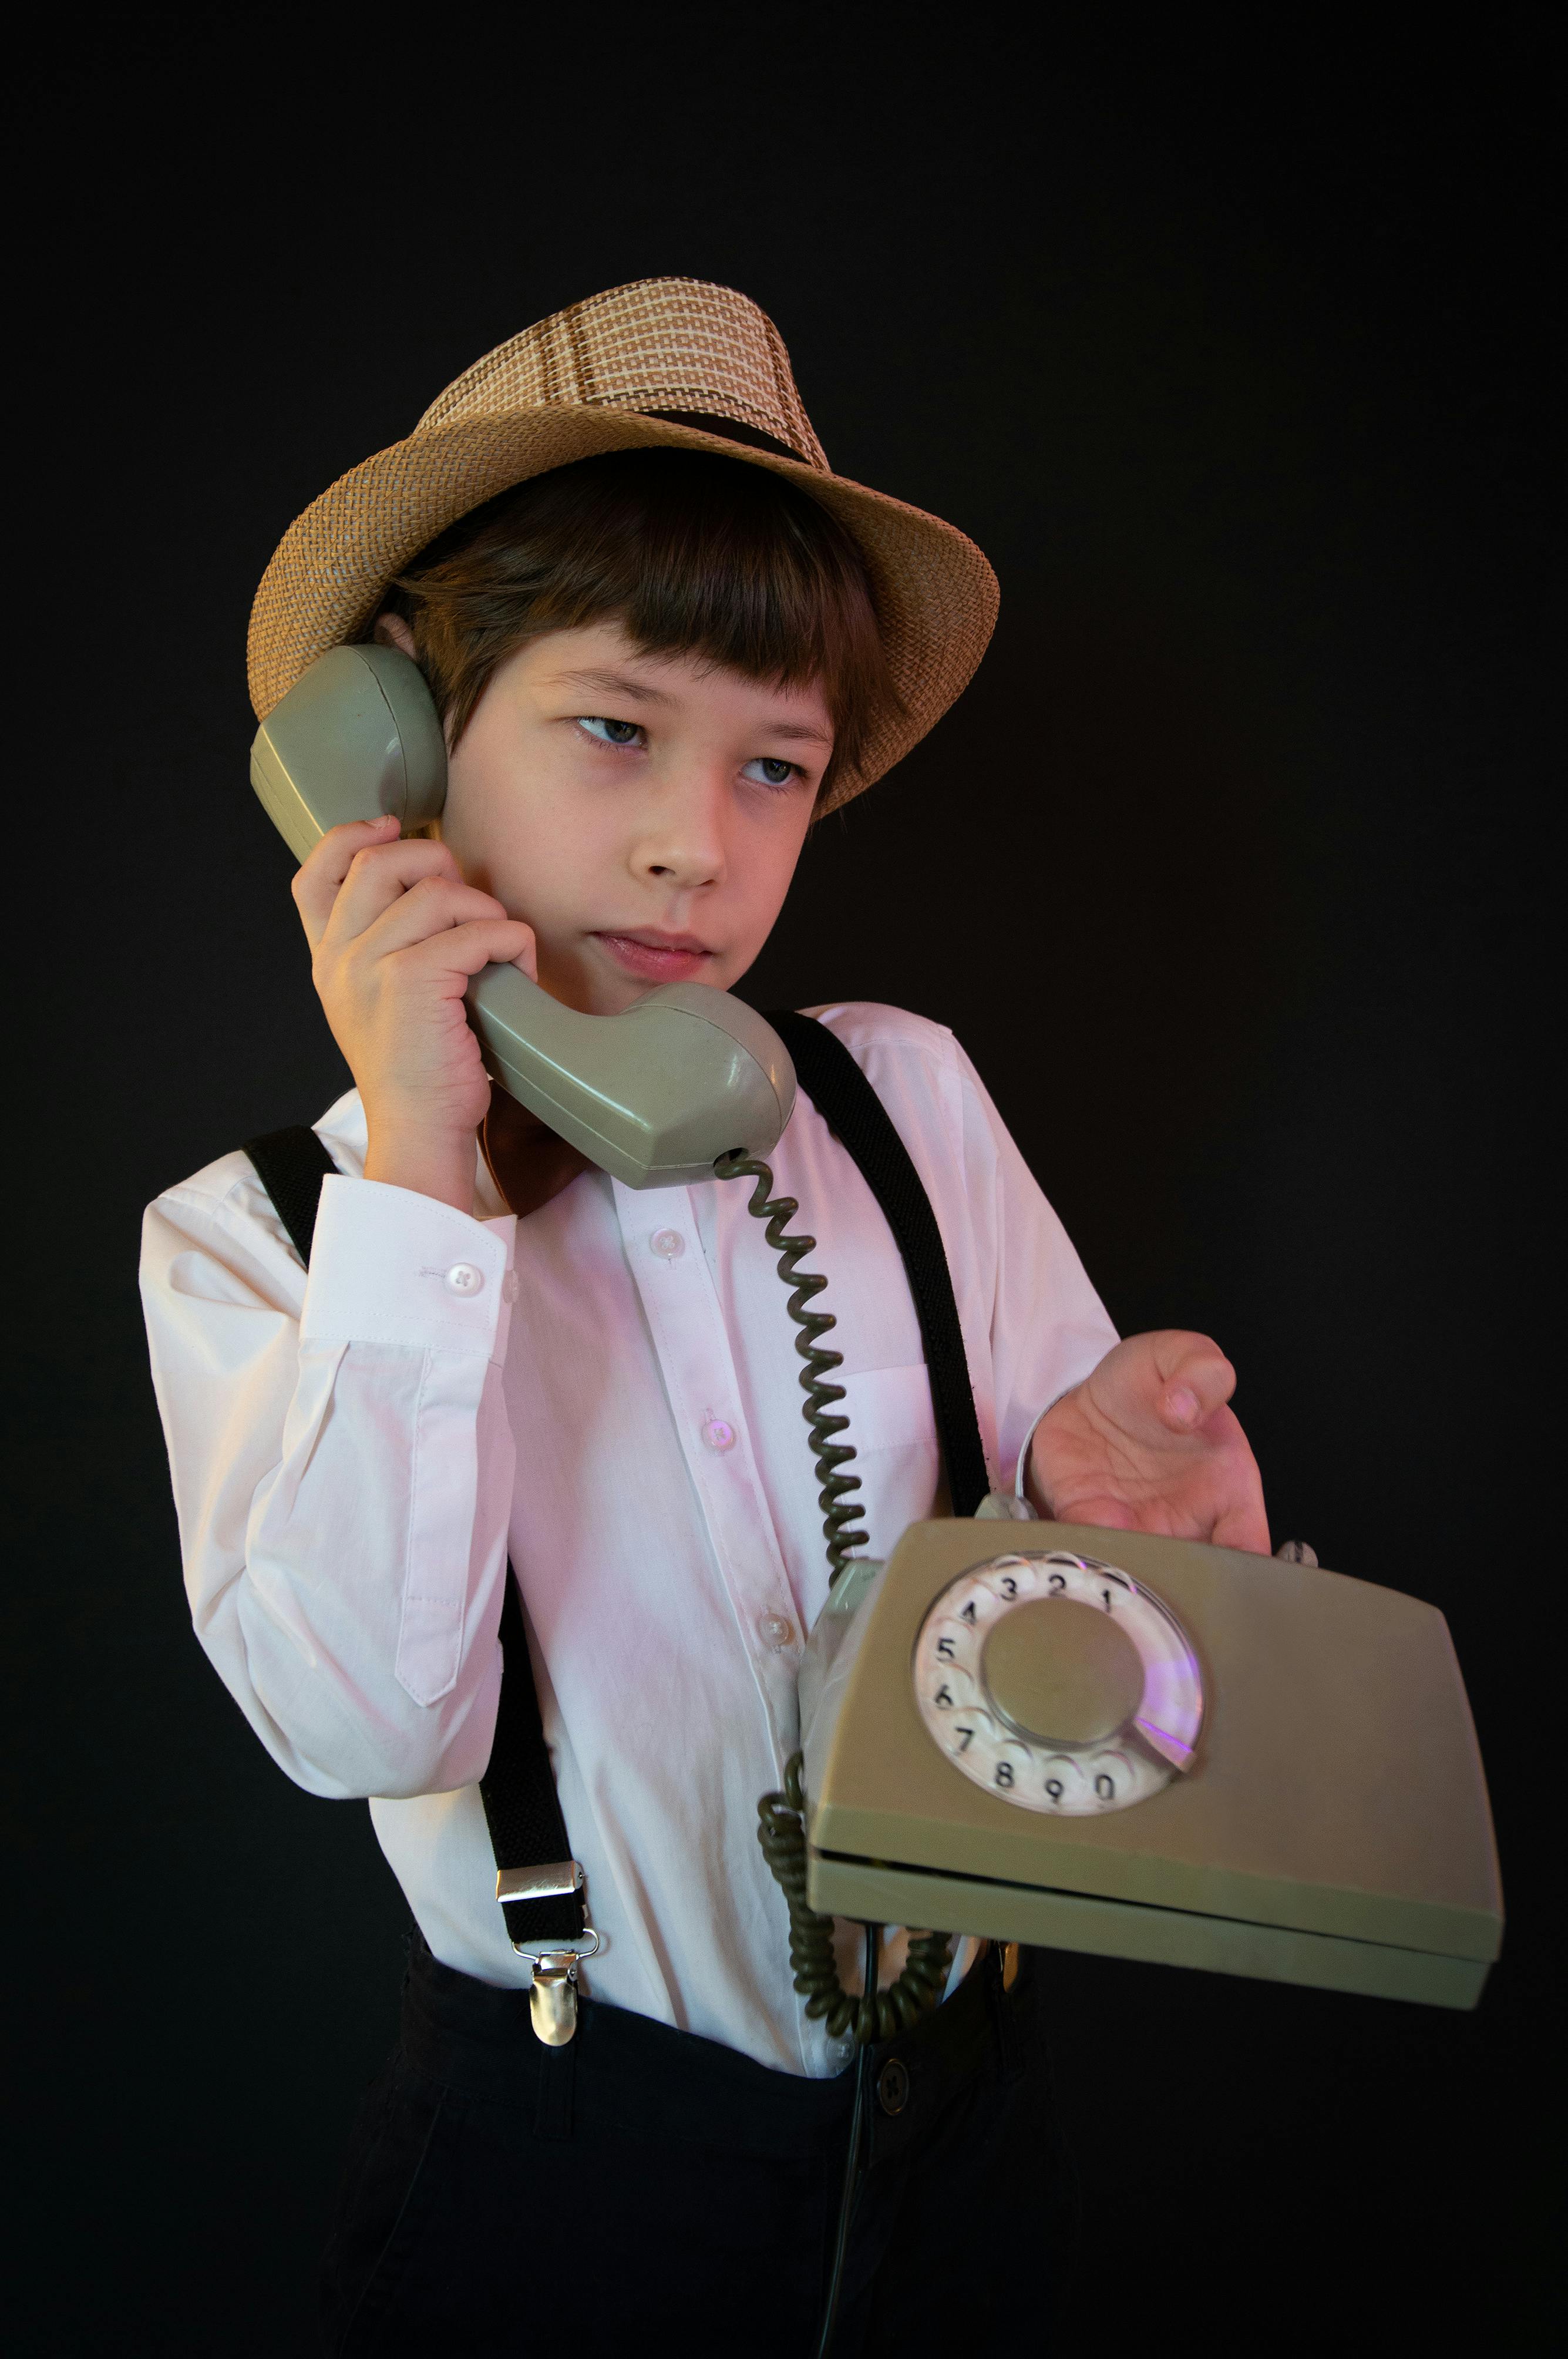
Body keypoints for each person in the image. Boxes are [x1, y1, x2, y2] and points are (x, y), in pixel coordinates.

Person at [140, 277, 1270, 2355]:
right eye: (613, 729)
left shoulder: (901, 1099)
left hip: (968, 2146)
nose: (698, 848)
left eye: (775, 768)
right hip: (571, 2182)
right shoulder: (261, 1239)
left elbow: (1084, 1686)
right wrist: (422, 1156)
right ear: (385, 746)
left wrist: (1100, 1531)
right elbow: (373, 1724)